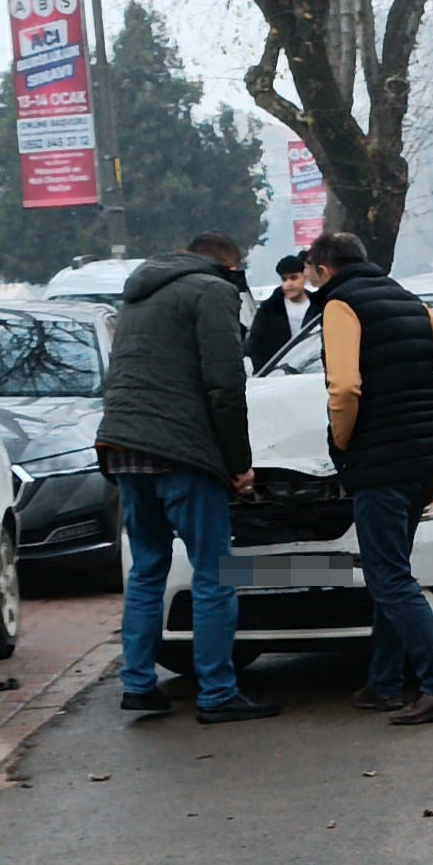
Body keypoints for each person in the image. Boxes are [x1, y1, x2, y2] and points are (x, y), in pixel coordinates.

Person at [95, 231, 280, 725]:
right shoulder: (213, 290)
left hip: (125, 446)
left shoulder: (138, 294)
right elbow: (225, 385)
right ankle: (217, 691)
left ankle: (137, 685)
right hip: (182, 451)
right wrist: (239, 463)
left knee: (148, 569)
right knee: (215, 572)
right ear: (227, 264)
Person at [305, 232, 433, 725]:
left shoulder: (340, 305)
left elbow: (344, 386)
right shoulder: (407, 300)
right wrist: (420, 405)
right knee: (392, 572)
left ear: (323, 269)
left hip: (379, 465)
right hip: (421, 461)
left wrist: (343, 439)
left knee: (388, 577)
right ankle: (383, 684)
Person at [246, 253, 314, 371]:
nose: (289, 283)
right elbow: (256, 345)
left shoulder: (318, 305)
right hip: (279, 374)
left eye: (294, 278)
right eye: (284, 279)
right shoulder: (269, 309)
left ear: (304, 277)